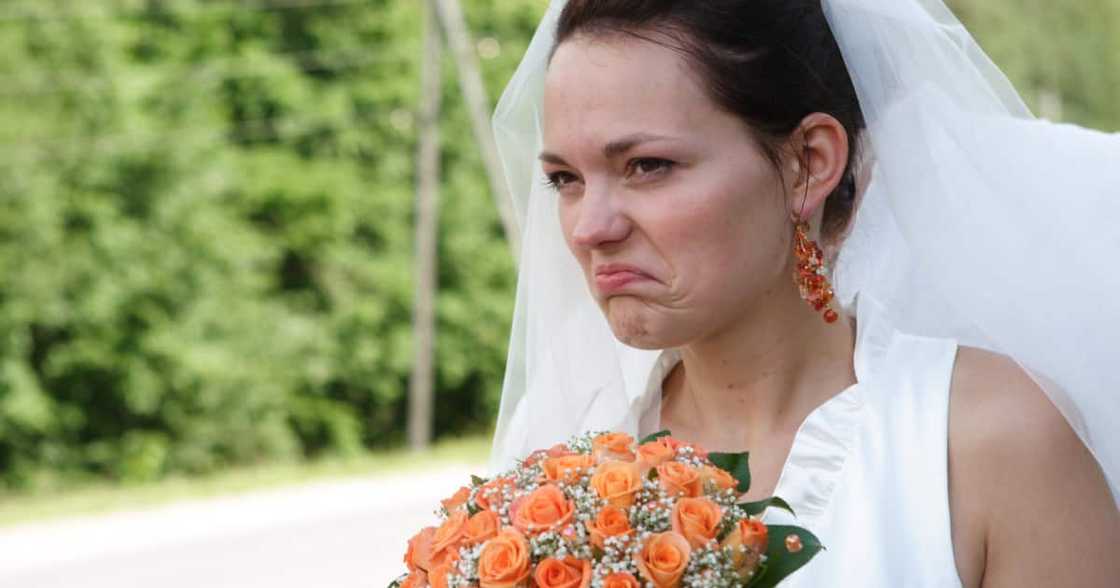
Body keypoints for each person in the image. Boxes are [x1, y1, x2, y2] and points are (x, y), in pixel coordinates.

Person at [488, 0, 1120, 585]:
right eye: (564, 178)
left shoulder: (988, 444)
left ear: (809, 162)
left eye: (647, 166)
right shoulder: (559, 447)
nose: (590, 227)